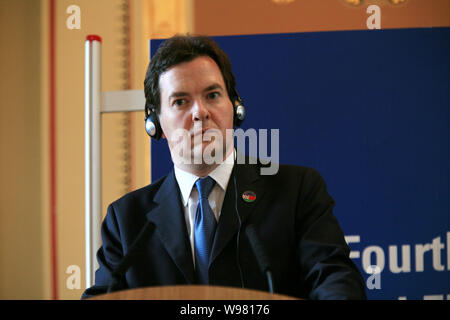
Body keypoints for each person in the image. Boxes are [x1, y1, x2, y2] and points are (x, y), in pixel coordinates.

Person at [82, 34, 366, 300]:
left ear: (235, 107)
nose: (200, 113)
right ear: (156, 124)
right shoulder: (127, 221)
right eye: (180, 101)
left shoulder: (297, 190)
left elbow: (336, 280)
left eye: (213, 95)